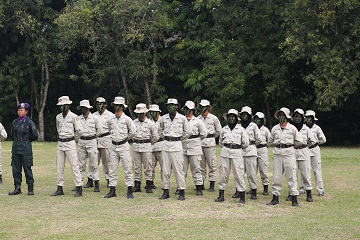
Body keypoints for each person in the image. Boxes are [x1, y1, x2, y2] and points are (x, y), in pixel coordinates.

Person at [267, 107, 305, 207]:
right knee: (276, 176)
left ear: (287, 117)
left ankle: (294, 199)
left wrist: (291, 145)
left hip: (289, 154)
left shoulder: (292, 128)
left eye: (283, 115)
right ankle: (275, 198)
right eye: (279, 115)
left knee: (291, 176)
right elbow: (270, 141)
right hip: (278, 154)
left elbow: (299, 141)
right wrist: (276, 143)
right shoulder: (275, 128)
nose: (281, 117)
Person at [158, 98, 191, 201]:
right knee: (165, 170)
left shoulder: (182, 118)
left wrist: (179, 139)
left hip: (177, 145)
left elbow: (188, 132)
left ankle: (181, 191)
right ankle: (165, 191)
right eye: (169, 105)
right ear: (167, 107)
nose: (171, 107)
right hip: (166, 144)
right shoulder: (163, 118)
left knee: (179, 170)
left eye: (173, 105)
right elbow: (159, 131)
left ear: (177, 106)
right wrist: (166, 137)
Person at [51, 96, 84, 197]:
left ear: (68, 105)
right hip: (61, 142)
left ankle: (79, 187)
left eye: (63, 105)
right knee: (59, 166)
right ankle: (59, 188)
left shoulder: (74, 117)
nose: (61, 108)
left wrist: (75, 138)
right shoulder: (58, 117)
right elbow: (58, 129)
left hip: (70, 142)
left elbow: (80, 130)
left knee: (74, 165)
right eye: (60, 106)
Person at [104, 97, 136, 199]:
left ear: (122, 107)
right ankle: (112, 190)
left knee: (127, 168)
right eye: (115, 105)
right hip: (113, 146)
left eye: (118, 105)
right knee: (112, 168)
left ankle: (129, 190)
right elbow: (109, 130)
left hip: (123, 145)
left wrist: (125, 139)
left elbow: (133, 132)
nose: (116, 107)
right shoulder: (110, 119)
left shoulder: (127, 119)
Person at [215, 109, 249, 203]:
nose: (231, 118)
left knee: (239, 174)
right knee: (223, 174)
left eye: (233, 116)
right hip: (225, 152)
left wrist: (236, 147)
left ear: (236, 118)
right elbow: (221, 142)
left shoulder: (241, 129)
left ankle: (242, 196)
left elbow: (245, 143)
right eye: (229, 116)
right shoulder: (224, 129)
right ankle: (221, 195)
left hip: (237, 152)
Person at [177, 101, 207, 196]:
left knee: (196, 168)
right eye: (185, 109)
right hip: (183, 146)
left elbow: (204, 134)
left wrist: (196, 140)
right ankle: (180, 187)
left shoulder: (198, 121)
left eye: (189, 109)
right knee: (182, 169)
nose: (187, 111)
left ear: (193, 110)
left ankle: (199, 187)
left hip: (195, 147)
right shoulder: (181, 120)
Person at [286, 108, 316, 202]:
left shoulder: (306, 129)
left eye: (299, 116)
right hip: (292, 152)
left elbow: (313, 141)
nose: (297, 118)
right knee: (292, 174)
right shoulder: (290, 128)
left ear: (302, 118)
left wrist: (305, 146)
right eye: (295, 116)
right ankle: (291, 193)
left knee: (306, 174)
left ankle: (309, 194)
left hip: (304, 152)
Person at [9, 102, 38, 195]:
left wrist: (26, 140)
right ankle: (17, 188)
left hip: (25, 147)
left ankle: (30, 188)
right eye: (18, 110)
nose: (19, 112)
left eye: (21, 110)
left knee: (27, 167)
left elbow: (35, 135)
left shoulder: (29, 122)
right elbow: (12, 134)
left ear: (26, 111)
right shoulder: (15, 122)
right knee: (16, 169)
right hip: (16, 147)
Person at [234, 106, 262, 200]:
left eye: (246, 114)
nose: (244, 116)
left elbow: (259, 139)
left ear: (250, 115)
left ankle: (253, 191)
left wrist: (251, 144)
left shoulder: (254, 126)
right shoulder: (237, 126)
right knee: (238, 172)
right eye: (243, 114)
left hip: (251, 151)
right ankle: (239, 190)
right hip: (239, 151)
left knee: (251, 173)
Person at [132, 103, 159, 193]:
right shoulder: (133, 122)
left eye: (141, 113)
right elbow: (131, 134)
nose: (139, 115)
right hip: (136, 146)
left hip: (147, 146)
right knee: (136, 167)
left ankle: (148, 184)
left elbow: (155, 137)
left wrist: (148, 143)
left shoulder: (150, 123)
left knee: (148, 166)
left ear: (145, 113)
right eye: (137, 113)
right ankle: (137, 184)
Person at [77, 100, 101, 192]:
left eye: (85, 108)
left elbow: (99, 131)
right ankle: (79, 184)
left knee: (94, 163)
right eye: (82, 108)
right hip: (82, 141)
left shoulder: (95, 118)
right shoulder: (78, 118)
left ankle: (96, 184)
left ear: (88, 108)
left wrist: (92, 137)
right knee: (80, 164)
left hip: (92, 141)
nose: (83, 109)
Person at [198, 99, 222, 192]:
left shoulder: (214, 118)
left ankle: (212, 183)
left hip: (210, 144)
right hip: (200, 144)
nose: (202, 108)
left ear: (208, 107)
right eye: (201, 106)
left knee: (211, 164)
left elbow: (218, 131)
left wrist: (211, 137)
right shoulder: (198, 118)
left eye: (204, 106)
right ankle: (201, 183)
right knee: (201, 165)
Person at [89, 97, 113, 188]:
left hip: (106, 139)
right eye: (97, 103)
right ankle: (91, 179)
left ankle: (109, 179)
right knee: (93, 160)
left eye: (101, 103)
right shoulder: (93, 115)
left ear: (105, 104)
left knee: (106, 160)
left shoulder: (110, 115)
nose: (99, 105)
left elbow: (112, 128)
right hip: (95, 139)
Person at [304, 110, 327, 197]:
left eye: (309, 117)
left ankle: (320, 190)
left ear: (313, 118)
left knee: (317, 171)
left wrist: (316, 142)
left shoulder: (317, 128)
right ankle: (303, 189)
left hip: (314, 150)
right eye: (307, 117)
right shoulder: (303, 127)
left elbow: (323, 139)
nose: (308, 119)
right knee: (305, 170)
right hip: (305, 150)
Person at [253, 112, 271, 195]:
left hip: (262, 149)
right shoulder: (252, 128)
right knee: (253, 170)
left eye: (259, 119)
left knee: (263, 169)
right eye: (256, 118)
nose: (257, 120)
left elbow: (270, 141)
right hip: (253, 149)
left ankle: (265, 188)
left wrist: (265, 146)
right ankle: (253, 188)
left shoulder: (265, 130)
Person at [148, 104, 163, 189]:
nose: (152, 113)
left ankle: (165, 183)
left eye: (154, 112)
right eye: (151, 112)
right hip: (151, 145)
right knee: (151, 165)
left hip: (161, 145)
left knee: (164, 166)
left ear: (158, 112)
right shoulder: (149, 121)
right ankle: (150, 182)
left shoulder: (163, 120)